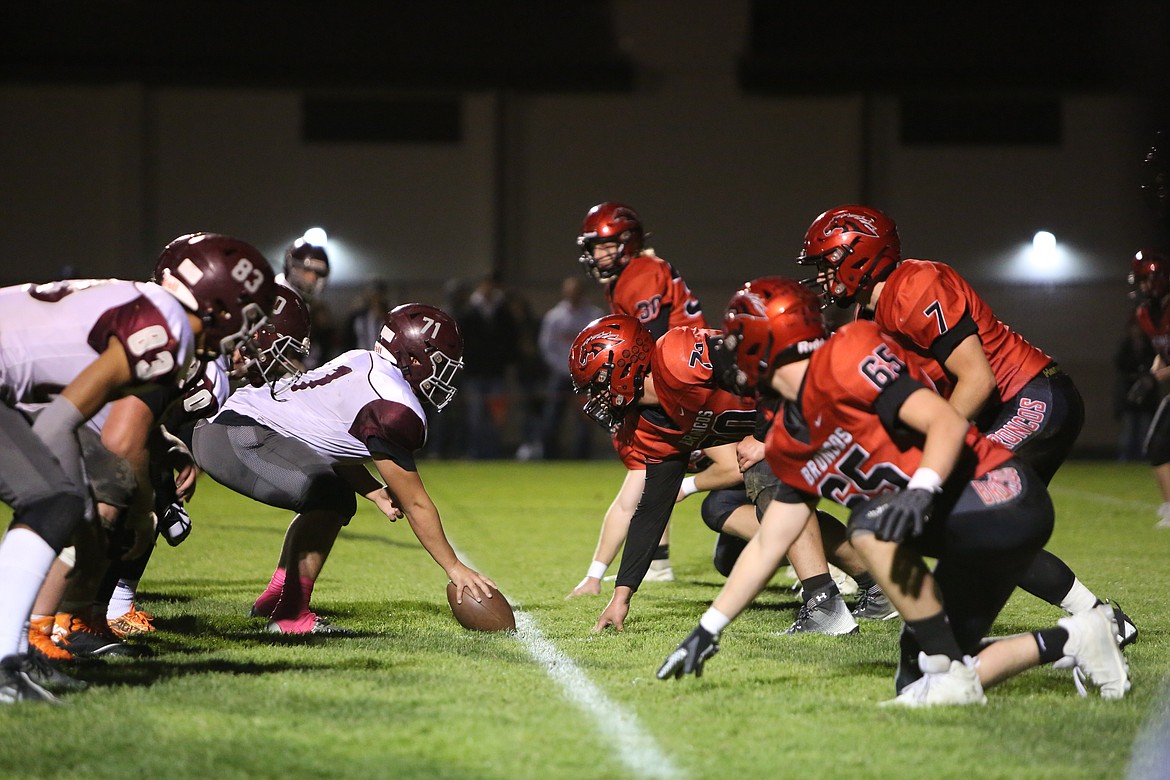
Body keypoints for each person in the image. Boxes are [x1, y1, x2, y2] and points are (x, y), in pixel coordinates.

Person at [657, 277, 1130, 707]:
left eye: (736, 337)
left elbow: (943, 420)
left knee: (869, 522)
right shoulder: (785, 435)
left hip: (998, 492)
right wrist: (708, 628)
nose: (727, 350)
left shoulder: (848, 353)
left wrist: (922, 489)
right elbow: (770, 540)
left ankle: (959, 667)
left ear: (765, 338)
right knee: (921, 672)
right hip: (951, 524)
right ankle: (1078, 638)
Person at [794, 204, 1137, 649]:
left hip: (1031, 398)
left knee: (973, 514)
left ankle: (1094, 623)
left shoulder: (916, 285)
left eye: (829, 263)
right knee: (976, 527)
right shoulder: (868, 320)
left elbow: (977, 380)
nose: (823, 276)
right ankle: (1101, 622)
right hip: (997, 410)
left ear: (860, 254)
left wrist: (930, 467)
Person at [0, 232, 278, 702]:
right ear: (219, 302)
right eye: (247, 313)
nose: (245, 331)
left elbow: (59, 411)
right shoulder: (170, 330)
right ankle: (11, 657)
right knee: (54, 500)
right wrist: (96, 519)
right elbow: (71, 428)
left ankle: (18, 650)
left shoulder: (148, 304)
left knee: (61, 501)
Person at [192, 303, 498, 634]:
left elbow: (322, 439)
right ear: (414, 358)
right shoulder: (394, 406)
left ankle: (276, 600)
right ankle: (290, 616)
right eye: (439, 364)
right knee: (330, 498)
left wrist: (374, 493)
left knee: (330, 494)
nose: (442, 376)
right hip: (237, 434)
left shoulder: (362, 360)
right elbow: (415, 501)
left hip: (229, 427)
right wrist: (454, 567)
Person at [563, 314, 759, 631]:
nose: (595, 397)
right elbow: (650, 509)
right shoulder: (646, 426)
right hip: (776, 440)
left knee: (773, 489)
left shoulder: (677, 356)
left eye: (598, 384)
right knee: (727, 557)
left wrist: (766, 434)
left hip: (807, 409)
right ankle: (863, 581)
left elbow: (761, 368)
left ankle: (825, 597)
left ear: (625, 366)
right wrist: (620, 596)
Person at [576, 202, 707, 572]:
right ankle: (658, 560)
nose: (598, 254)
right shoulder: (629, 276)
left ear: (629, 242)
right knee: (658, 463)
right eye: (595, 247)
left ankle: (803, 546)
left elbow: (649, 337)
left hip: (681, 375)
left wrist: (623, 387)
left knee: (653, 459)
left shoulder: (642, 272)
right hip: (679, 370)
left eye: (606, 245)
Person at [536, 277, 604, 460]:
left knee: (586, 418)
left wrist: (585, 369)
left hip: (586, 376)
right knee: (552, 418)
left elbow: (601, 344)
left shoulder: (593, 316)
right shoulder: (555, 317)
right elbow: (547, 347)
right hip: (560, 375)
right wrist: (564, 368)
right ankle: (549, 457)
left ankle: (581, 458)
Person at [1127, 248, 1170, 526]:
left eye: (1145, 280)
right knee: (1157, 445)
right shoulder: (1146, 313)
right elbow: (1162, 350)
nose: (1142, 286)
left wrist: (1155, 379)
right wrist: (1152, 372)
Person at [458, 274, 517, 459]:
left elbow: (511, 339)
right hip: (474, 371)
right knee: (475, 416)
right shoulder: (469, 310)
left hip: (496, 372)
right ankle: (475, 452)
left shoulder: (502, 310)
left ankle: (493, 453)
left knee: (496, 417)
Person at [1114, 314, 1156, 462]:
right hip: (1129, 395)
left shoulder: (1149, 346)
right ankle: (1125, 456)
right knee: (1129, 428)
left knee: (1145, 428)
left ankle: (1143, 456)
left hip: (1146, 396)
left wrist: (1145, 377)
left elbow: (1154, 365)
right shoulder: (1125, 346)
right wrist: (1134, 375)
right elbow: (1120, 365)